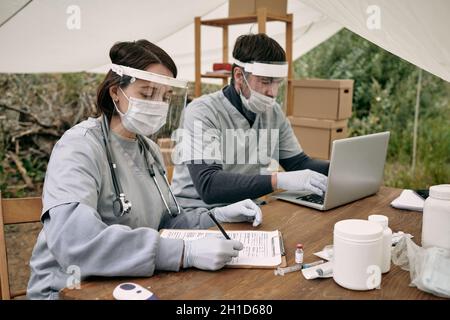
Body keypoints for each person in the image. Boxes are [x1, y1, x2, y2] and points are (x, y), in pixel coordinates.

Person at [27, 40, 262, 300]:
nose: (157, 104)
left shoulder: (148, 149)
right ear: (116, 91)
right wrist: (185, 252)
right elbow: (75, 242)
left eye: (165, 97)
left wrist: (217, 216)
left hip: (129, 282)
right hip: (69, 289)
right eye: (147, 94)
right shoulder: (79, 146)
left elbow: (167, 222)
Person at [171, 33, 329, 211]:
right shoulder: (203, 112)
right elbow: (209, 185)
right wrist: (279, 180)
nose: (273, 92)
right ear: (239, 76)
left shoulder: (273, 112)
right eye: (266, 81)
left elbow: (298, 164)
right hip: (199, 213)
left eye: (277, 83)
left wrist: (342, 167)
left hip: (247, 209)